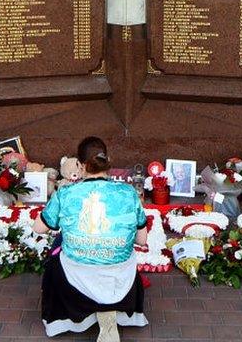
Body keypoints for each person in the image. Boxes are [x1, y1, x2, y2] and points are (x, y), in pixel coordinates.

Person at [33, 137, 148, 342]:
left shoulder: (66, 193)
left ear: (80, 164)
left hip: (76, 274)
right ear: (107, 160)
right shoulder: (129, 193)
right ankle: (113, 309)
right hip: (119, 274)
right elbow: (141, 239)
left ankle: (74, 313)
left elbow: (39, 228)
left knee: (58, 244)